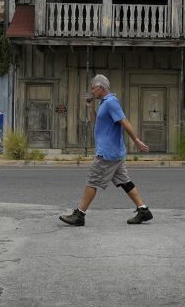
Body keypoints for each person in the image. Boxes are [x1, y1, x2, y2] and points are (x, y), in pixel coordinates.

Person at [59, 74, 153, 226]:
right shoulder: (104, 103)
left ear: (101, 88)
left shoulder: (111, 102)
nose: (91, 92)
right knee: (125, 182)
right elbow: (98, 121)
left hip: (108, 153)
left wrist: (136, 140)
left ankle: (79, 215)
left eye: (93, 88)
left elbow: (124, 121)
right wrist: (90, 107)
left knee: (92, 181)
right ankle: (144, 211)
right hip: (114, 152)